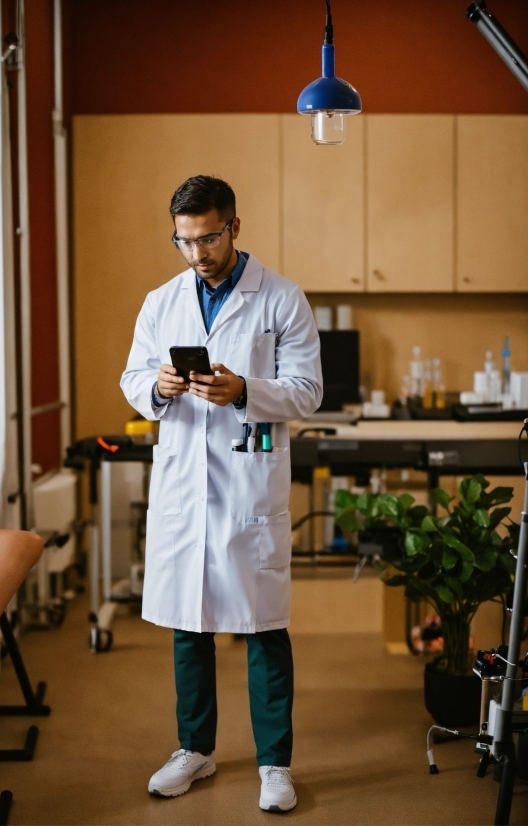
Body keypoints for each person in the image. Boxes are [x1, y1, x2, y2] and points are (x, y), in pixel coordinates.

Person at [120, 175, 322, 812]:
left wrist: (246, 392)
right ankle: (195, 749)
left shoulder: (282, 299)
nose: (197, 252)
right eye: (184, 241)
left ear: (234, 226)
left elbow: (309, 392)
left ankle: (274, 764)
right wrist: (158, 387)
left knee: (264, 627)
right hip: (185, 484)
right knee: (189, 622)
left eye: (207, 237)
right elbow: (131, 377)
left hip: (247, 485)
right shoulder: (162, 301)